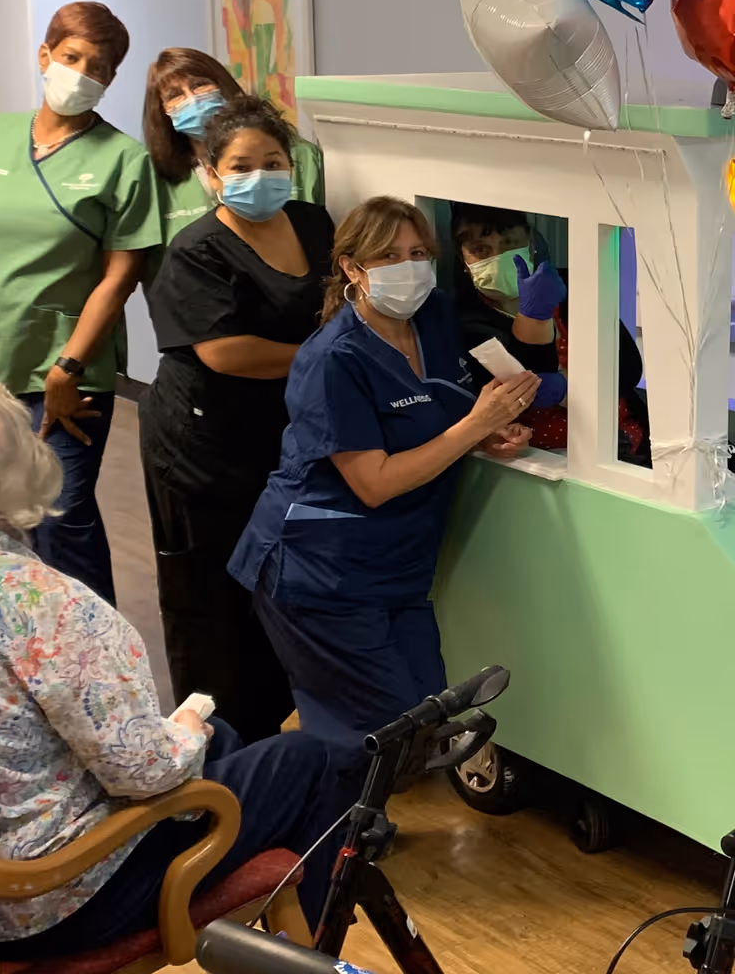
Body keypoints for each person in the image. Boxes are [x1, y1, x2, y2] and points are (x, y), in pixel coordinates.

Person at [0, 372, 351, 959]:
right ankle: (310, 960)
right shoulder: (49, 607)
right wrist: (184, 733)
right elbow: (145, 773)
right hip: (45, 896)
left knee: (224, 739)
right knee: (308, 758)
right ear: (19, 472)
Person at [227, 196, 541, 766]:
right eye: (389, 256)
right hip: (321, 571)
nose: (409, 267)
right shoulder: (334, 358)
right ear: (352, 268)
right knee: (372, 738)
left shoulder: (435, 317)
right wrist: (475, 426)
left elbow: (437, 414)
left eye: (418, 253)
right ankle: (318, 817)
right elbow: (374, 482)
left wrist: (484, 435)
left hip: (398, 568)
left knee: (422, 717)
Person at [0, 1, 159, 606]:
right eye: (71, 57)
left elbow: (120, 276)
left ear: (111, 79)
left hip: (66, 370)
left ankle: (92, 645)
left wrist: (67, 368)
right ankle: (4, 637)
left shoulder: (123, 161)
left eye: (98, 67)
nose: (81, 74)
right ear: (45, 56)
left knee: (61, 514)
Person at [141, 96, 334, 739]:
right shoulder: (197, 250)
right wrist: (326, 357)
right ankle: (216, 742)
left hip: (276, 435)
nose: (260, 176)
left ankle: (279, 731)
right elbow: (227, 353)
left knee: (276, 584)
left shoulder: (312, 223)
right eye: (241, 166)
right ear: (212, 174)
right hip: (201, 446)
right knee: (213, 597)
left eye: (273, 162)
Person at [450, 204, 651, 467]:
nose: (499, 257)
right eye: (480, 250)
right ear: (463, 260)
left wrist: (568, 389)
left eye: (510, 243)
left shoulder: (567, 287)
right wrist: (534, 317)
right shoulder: (462, 322)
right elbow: (519, 384)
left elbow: (628, 369)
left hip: (622, 438)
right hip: (540, 459)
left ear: (531, 242)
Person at [142, 47, 324, 236]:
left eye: (200, 85)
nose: (192, 100)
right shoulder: (155, 177)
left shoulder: (303, 156)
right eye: (174, 95)